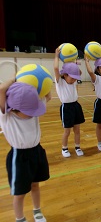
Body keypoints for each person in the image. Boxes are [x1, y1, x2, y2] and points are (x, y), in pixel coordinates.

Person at [0, 81, 50, 222]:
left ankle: (37, 210)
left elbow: (48, 93)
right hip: (19, 157)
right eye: (28, 111)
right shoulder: (5, 115)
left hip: (37, 151)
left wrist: (38, 80)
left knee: (35, 185)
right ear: (14, 108)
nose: (32, 114)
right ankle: (20, 218)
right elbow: (1, 89)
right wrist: (18, 77)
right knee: (19, 193)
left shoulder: (33, 107)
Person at [54, 48, 85, 157]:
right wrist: (57, 56)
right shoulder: (60, 82)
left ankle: (77, 147)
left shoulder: (73, 81)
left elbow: (79, 72)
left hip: (76, 106)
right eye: (72, 78)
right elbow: (56, 68)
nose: (74, 80)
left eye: (75, 78)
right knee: (67, 131)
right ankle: (64, 148)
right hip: (66, 108)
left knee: (77, 130)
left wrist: (73, 61)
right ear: (65, 75)